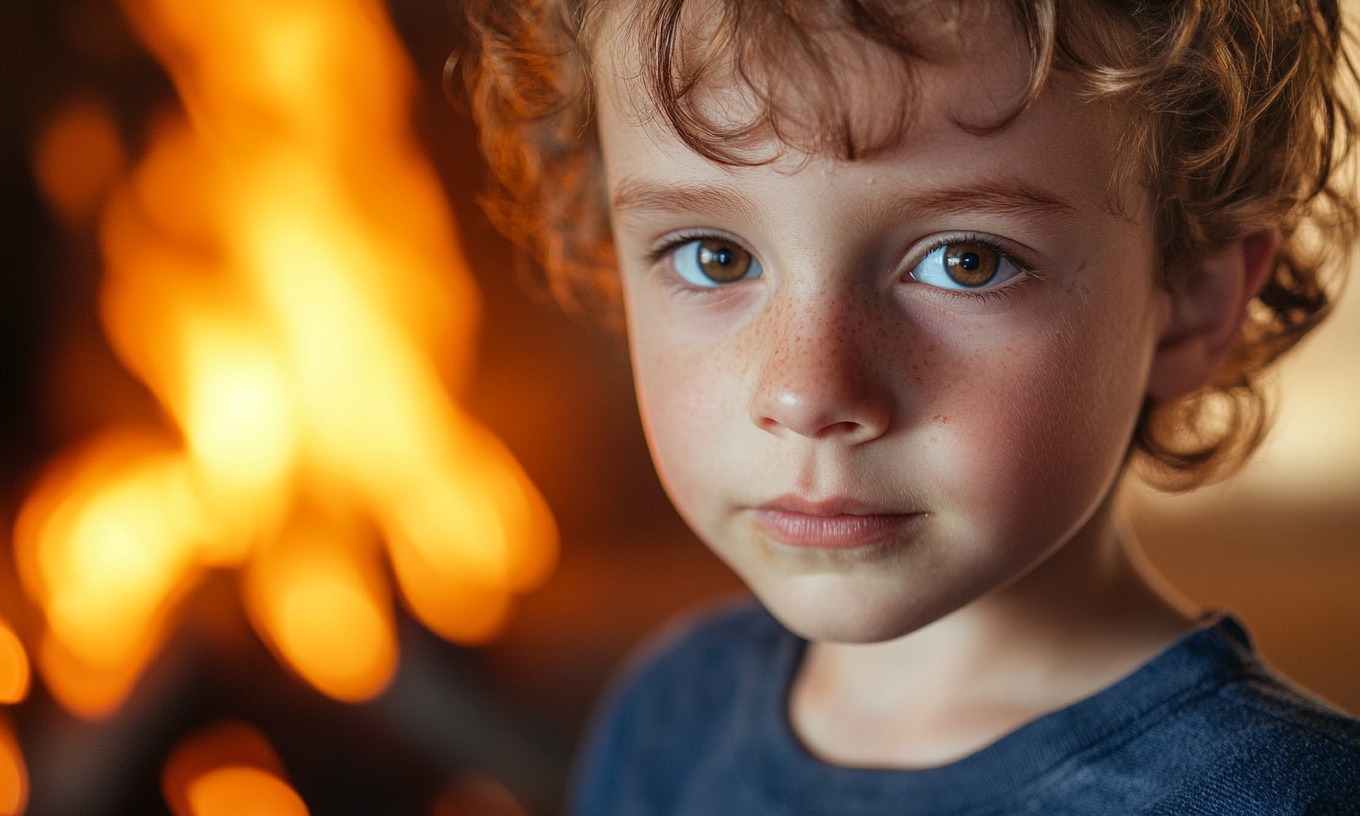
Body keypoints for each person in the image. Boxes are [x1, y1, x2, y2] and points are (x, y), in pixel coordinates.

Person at [463, 0, 1360, 812]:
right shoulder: (666, 719)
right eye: (713, 256)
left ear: (1192, 300)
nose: (807, 392)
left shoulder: (1274, 796)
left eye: (966, 260)